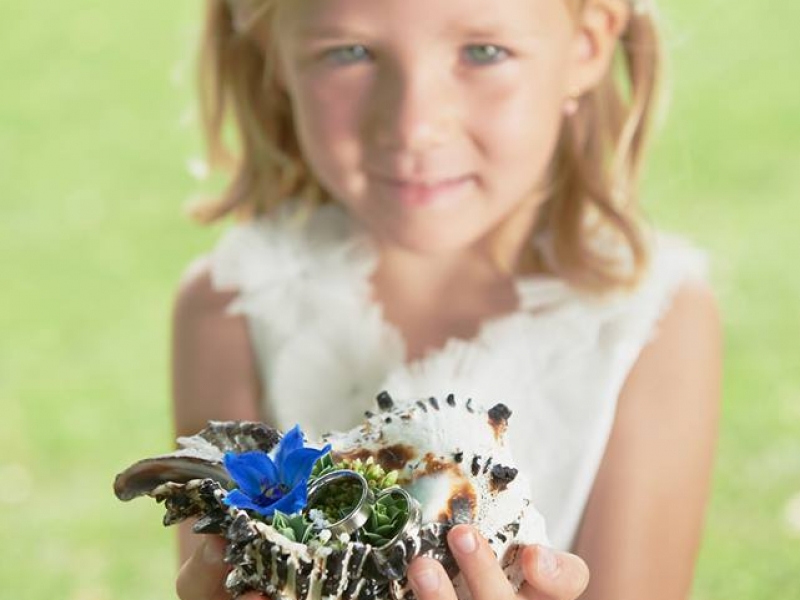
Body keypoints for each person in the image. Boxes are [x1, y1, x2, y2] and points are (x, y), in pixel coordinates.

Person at [171, 0, 722, 598]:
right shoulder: (231, 305)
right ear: (272, 54)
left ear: (586, 46)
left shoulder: (654, 320)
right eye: (349, 52)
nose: (414, 125)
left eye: (484, 52)